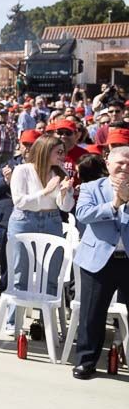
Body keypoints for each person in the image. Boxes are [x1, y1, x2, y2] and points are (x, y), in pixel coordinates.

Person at [2, 134, 74, 335]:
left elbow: (66, 207)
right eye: (58, 152)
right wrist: (45, 191)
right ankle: (12, 321)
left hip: (51, 220)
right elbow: (19, 201)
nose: (62, 156)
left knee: (51, 274)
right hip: (24, 220)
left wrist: (64, 193)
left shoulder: (58, 173)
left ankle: (45, 321)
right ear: (45, 150)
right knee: (20, 272)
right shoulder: (22, 171)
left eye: (63, 152)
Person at [72, 146, 129, 379]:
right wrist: (115, 203)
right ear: (108, 164)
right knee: (92, 314)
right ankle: (86, 361)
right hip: (99, 260)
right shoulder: (90, 187)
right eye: (121, 163)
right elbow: (83, 214)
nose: (125, 168)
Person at [0, 129, 36, 303]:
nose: (29, 148)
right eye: (26, 144)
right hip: (6, 220)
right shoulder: (10, 165)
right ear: (20, 145)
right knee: (7, 258)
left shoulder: (44, 166)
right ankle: (4, 293)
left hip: (32, 220)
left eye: (33, 144)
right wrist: (6, 181)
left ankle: (27, 295)